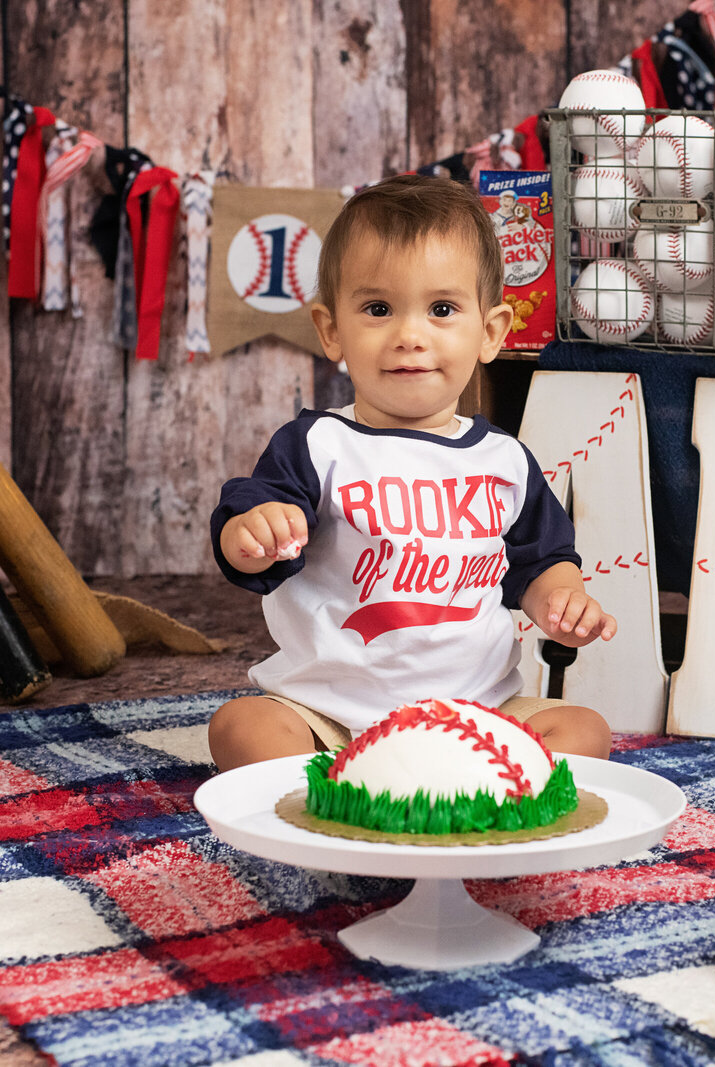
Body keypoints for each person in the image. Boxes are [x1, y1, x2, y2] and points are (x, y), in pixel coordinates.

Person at [208, 174, 615, 772]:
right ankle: (327, 796)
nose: (409, 336)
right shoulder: (319, 445)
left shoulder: (503, 461)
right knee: (242, 726)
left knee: (584, 730)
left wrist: (563, 600)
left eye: (442, 309)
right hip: (331, 716)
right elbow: (247, 535)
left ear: (491, 332)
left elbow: (539, 560)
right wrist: (254, 533)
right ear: (331, 331)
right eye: (378, 309)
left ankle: (465, 788)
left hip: (477, 714)